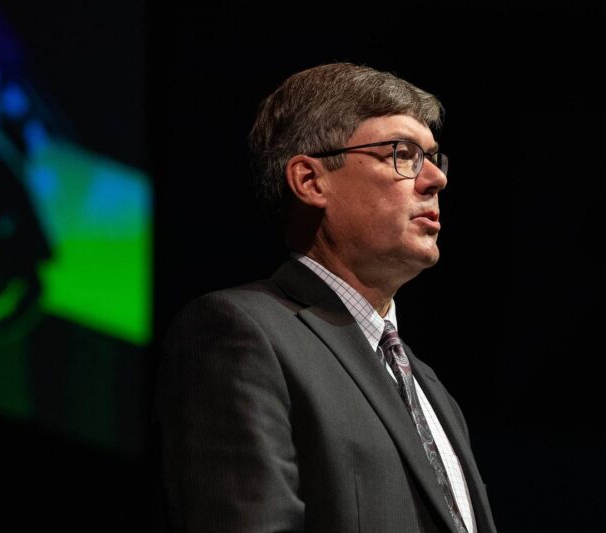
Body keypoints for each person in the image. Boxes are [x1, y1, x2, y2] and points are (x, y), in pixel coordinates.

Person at [155, 62, 497, 533]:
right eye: (402, 154)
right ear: (311, 181)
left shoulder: (433, 390)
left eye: (434, 158)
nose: (436, 179)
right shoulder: (240, 333)